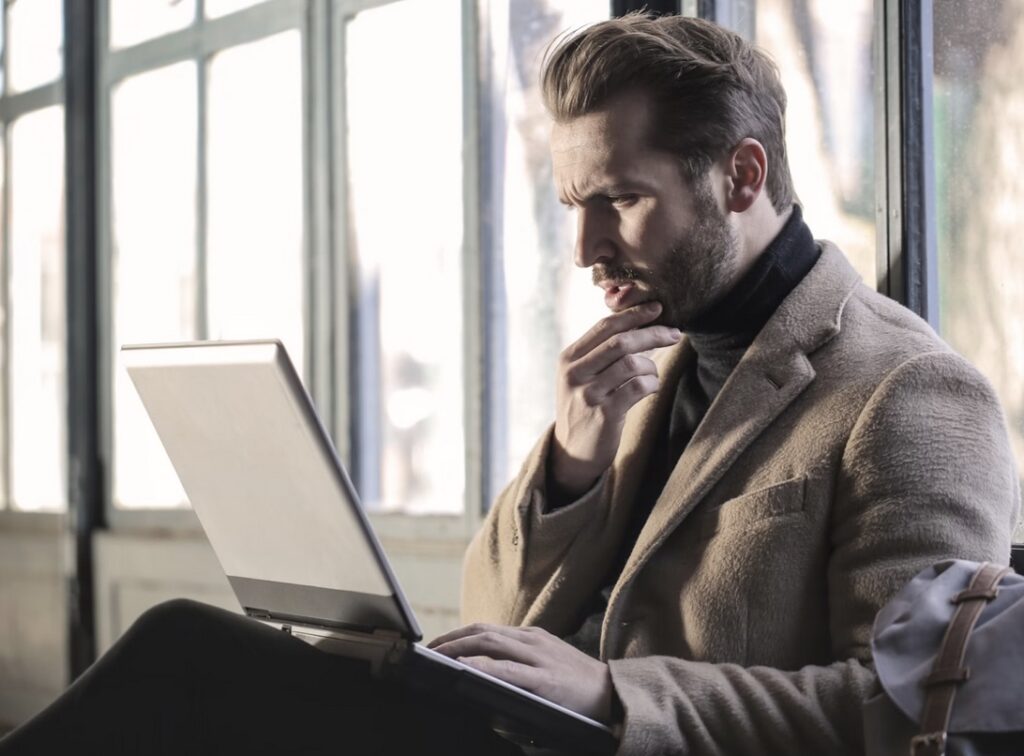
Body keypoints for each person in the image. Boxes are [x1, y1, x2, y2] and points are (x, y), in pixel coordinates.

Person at [1, 13, 1018, 756]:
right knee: (196, 661)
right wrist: (572, 463)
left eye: (619, 199)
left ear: (741, 179)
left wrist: (620, 696)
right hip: (504, 738)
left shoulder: (910, 391)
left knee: (191, 667)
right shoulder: (644, 361)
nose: (584, 248)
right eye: (575, 203)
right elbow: (489, 611)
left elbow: (916, 713)